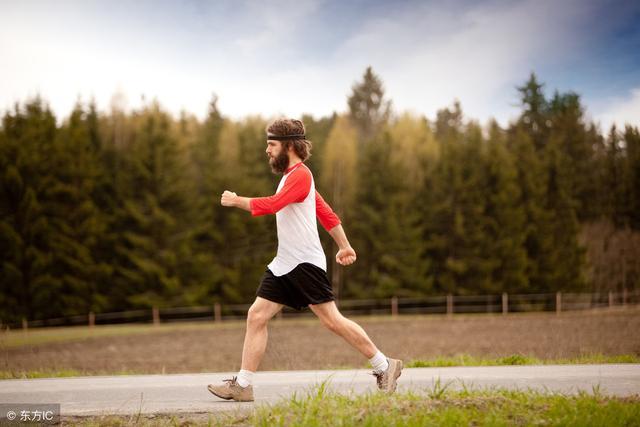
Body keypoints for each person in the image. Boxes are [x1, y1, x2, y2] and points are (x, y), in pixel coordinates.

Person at [207, 118, 402, 402]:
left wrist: (238, 200)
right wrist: (345, 246)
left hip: (304, 265)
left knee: (333, 321)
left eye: (271, 144)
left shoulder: (301, 175)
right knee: (256, 315)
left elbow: (274, 205)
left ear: (289, 145)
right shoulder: (292, 178)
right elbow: (326, 213)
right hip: (285, 262)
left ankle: (385, 366)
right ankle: (244, 385)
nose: (267, 150)